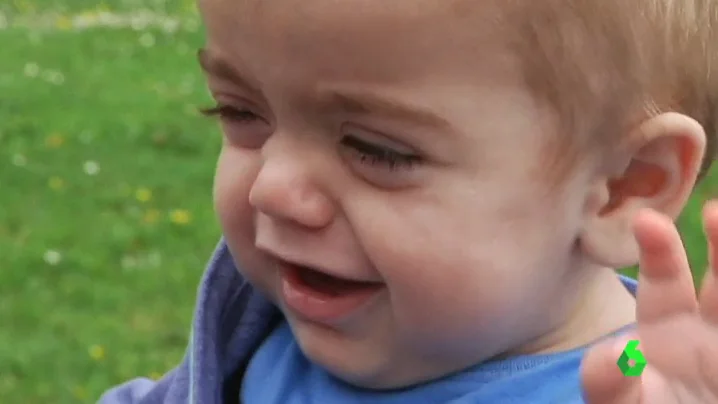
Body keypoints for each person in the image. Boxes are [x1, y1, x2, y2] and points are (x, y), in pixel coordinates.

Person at [99, 0, 718, 402]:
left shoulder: (636, 386)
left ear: (621, 187)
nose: (273, 189)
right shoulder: (259, 332)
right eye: (240, 111)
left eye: (376, 149)